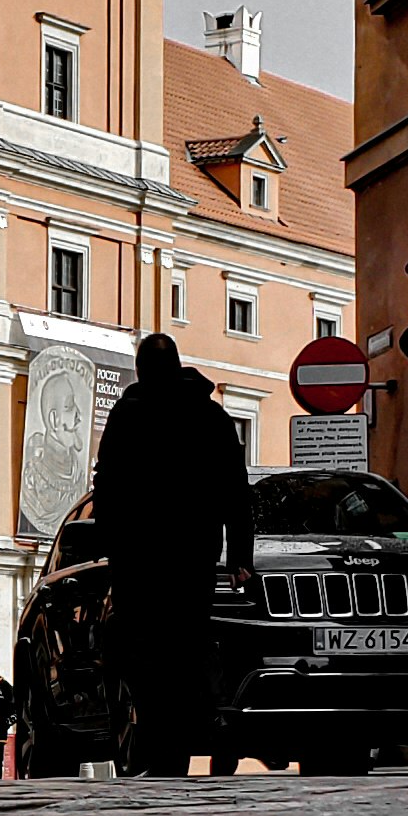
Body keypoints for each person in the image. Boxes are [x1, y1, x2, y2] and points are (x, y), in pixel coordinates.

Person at [90, 331, 255, 776]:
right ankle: (196, 732)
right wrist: (240, 555)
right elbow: (235, 492)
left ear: (142, 371)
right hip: (191, 555)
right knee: (186, 649)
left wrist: (107, 543)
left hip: (139, 559)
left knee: (147, 658)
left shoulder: (128, 415)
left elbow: (105, 484)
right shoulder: (211, 417)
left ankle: (162, 748)